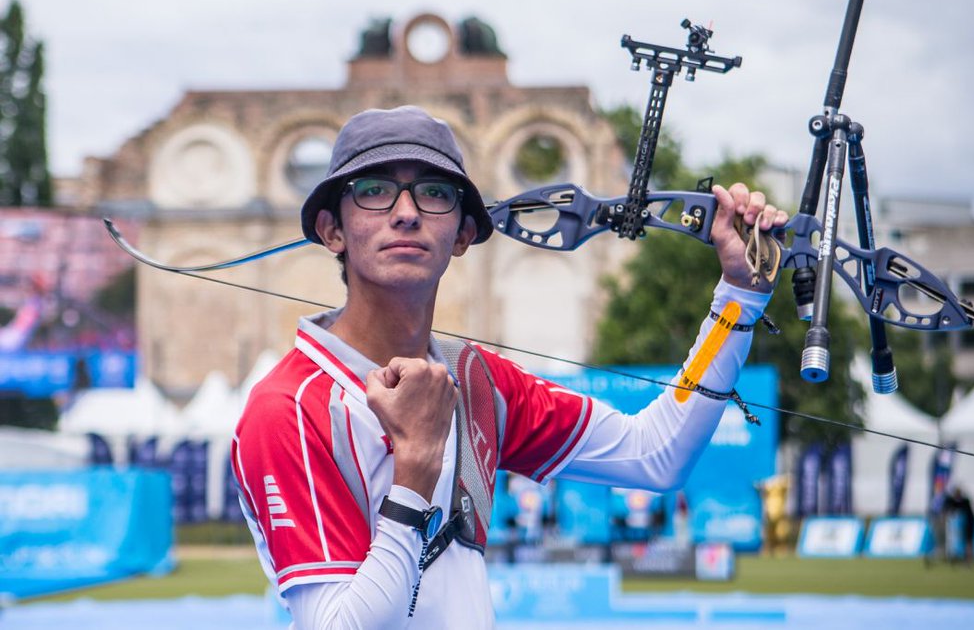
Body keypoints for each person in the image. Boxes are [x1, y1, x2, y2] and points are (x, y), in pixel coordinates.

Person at [230, 105, 789, 628]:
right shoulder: (287, 407)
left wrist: (739, 297)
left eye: (434, 193)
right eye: (373, 191)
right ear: (332, 229)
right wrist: (416, 466)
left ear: (463, 235)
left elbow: (655, 455)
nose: (406, 213)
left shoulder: (478, 382)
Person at [943, 486, 974, 565]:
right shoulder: (964, 501)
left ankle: (968, 560)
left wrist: (949, 504)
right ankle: (968, 559)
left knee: (968, 541)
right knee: (968, 541)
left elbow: (954, 507)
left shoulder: (964, 502)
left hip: (970, 523)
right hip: (968, 523)